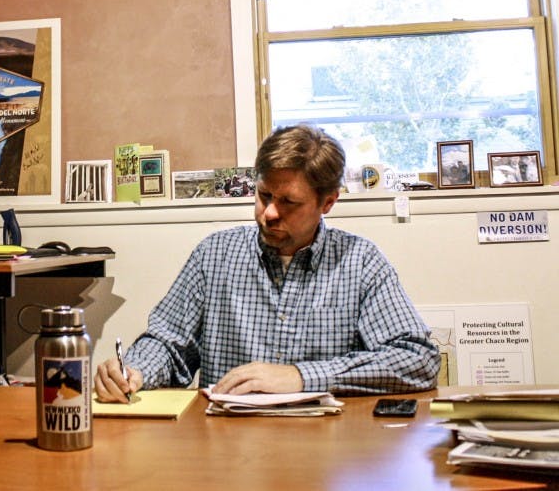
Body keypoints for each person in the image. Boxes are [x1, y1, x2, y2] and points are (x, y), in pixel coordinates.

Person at [94, 124, 439, 402]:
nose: (269, 213)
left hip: (326, 453)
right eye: (263, 196)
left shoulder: (360, 263)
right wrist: (134, 371)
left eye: (288, 202)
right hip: (226, 447)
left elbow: (418, 360)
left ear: (328, 203)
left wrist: (301, 377)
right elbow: (168, 343)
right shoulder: (215, 255)